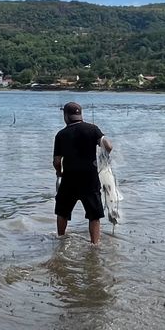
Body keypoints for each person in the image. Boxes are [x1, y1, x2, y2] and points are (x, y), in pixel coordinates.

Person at [53, 101, 112, 244]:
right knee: (94, 215)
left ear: (66, 116)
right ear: (81, 114)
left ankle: (61, 239)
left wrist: (59, 173)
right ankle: (95, 244)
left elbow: (57, 161)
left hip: (69, 178)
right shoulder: (93, 129)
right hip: (90, 178)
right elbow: (108, 146)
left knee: (62, 212)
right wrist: (104, 159)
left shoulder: (61, 134)